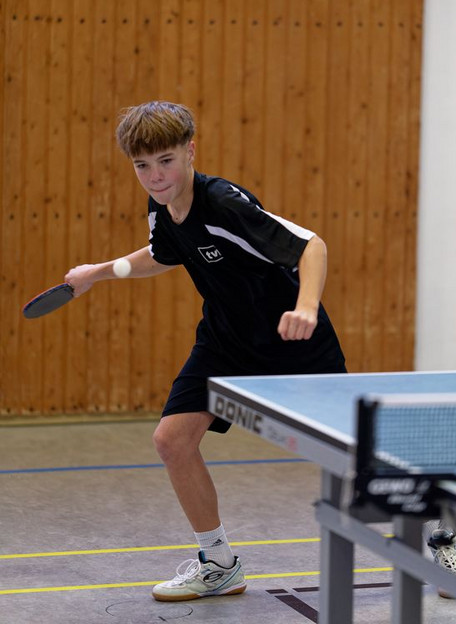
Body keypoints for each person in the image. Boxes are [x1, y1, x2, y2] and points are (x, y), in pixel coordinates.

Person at [65, 100, 346, 603]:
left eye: (166, 161)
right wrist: (98, 273)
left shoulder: (222, 203)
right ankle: (218, 564)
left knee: (352, 453)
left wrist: (305, 307)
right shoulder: (162, 204)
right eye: (142, 166)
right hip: (225, 341)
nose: (155, 176)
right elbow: (162, 253)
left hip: (291, 340)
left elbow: (310, 245)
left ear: (190, 151)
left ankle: (441, 528)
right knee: (172, 440)